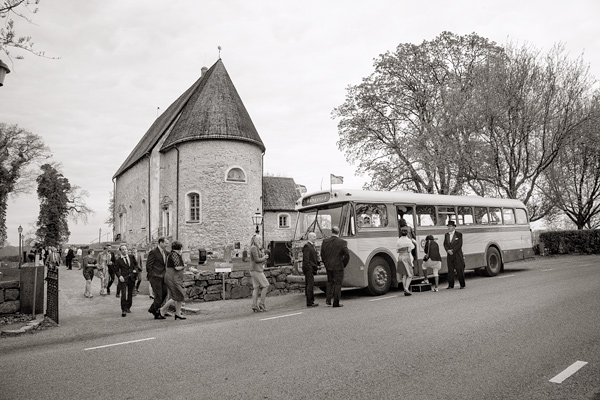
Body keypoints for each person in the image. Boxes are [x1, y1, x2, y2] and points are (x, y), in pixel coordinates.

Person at [320, 226, 349, 308]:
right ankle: (336, 302)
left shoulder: (325, 241)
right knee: (338, 284)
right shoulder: (342, 242)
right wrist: (343, 264)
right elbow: (347, 254)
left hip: (328, 266)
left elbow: (322, 254)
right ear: (338, 232)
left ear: (331, 232)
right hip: (338, 266)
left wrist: (326, 263)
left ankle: (328, 300)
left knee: (329, 282)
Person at [158, 240, 187, 320]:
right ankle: (162, 309)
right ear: (179, 248)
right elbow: (177, 267)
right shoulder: (174, 254)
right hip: (172, 278)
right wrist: (184, 266)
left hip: (175, 277)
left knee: (180, 295)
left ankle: (177, 313)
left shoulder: (175, 254)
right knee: (176, 295)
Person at [146, 237, 170, 319]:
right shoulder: (153, 252)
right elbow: (148, 265)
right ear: (160, 242)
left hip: (163, 276)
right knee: (158, 296)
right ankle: (156, 313)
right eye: (166, 243)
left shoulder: (166, 252)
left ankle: (153, 309)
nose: (167, 244)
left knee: (165, 293)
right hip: (155, 277)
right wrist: (152, 275)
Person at [114, 244, 138, 317]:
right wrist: (119, 276)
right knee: (123, 294)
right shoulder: (118, 260)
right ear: (120, 251)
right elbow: (116, 270)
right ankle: (123, 309)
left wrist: (135, 270)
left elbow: (136, 265)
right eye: (123, 249)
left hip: (131, 278)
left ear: (127, 250)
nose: (125, 250)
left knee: (130, 294)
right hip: (123, 278)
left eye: (125, 249)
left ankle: (128, 307)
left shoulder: (131, 257)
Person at [249, 234, 270, 312]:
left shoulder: (256, 248)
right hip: (256, 270)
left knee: (256, 287)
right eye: (259, 240)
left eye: (260, 240)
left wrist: (264, 257)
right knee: (266, 285)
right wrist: (264, 257)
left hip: (254, 270)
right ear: (255, 240)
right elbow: (257, 259)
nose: (260, 241)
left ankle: (254, 305)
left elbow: (260, 259)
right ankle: (261, 303)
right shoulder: (254, 248)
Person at [444, 220, 466, 289]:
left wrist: (453, 250)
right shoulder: (446, 235)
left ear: (453, 227)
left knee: (459, 269)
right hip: (449, 255)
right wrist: (447, 250)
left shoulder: (459, 234)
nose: (448, 228)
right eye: (448, 226)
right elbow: (445, 244)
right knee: (450, 270)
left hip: (457, 254)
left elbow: (459, 244)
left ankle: (462, 284)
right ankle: (450, 285)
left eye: (450, 226)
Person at [302, 232, 319, 308]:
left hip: (311, 267)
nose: (315, 238)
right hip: (309, 268)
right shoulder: (307, 246)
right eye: (314, 237)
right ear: (310, 237)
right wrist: (309, 267)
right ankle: (309, 302)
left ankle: (311, 301)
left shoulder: (312, 246)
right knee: (310, 285)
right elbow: (306, 259)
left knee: (310, 284)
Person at [396, 229, 416, 296]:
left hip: (400, 258)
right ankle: (406, 288)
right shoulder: (408, 240)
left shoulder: (399, 240)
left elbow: (397, 251)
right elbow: (410, 249)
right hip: (406, 257)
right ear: (407, 233)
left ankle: (404, 288)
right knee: (410, 274)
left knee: (404, 274)